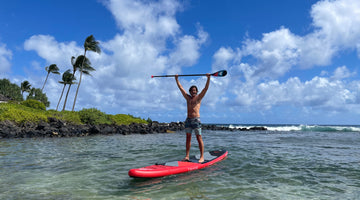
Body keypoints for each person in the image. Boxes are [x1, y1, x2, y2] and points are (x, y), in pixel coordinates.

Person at [175, 73, 211, 163]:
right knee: (188, 138)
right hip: (188, 120)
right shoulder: (188, 98)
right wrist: (176, 79)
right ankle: (187, 156)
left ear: (196, 91)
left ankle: (202, 156)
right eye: (192, 91)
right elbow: (181, 88)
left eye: (195, 90)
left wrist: (208, 78)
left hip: (196, 120)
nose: (193, 92)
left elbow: (205, 88)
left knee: (199, 138)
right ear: (190, 92)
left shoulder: (199, 98)